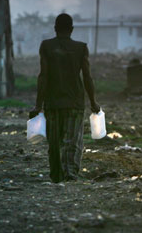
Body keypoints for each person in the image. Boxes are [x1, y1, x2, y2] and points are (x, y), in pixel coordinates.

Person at [29, 13, 100, 183]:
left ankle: (56, 175)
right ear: (72, 29)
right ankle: (70, 174)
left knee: (54, 142)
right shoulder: (81, 48)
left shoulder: (46, 46)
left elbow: (43, 76)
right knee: (72, 141)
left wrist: (38, 105)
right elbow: (87, 77)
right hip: (75, 102)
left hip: (52, 102)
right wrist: (93, 102)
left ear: (55, 29)